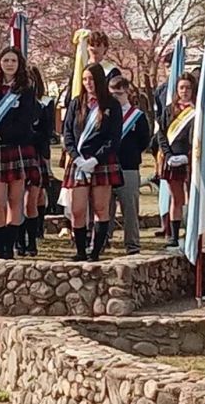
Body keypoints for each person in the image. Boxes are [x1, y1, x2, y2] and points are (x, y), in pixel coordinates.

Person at [62, 63, 123, 262]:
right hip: (78, 161)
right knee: (77, 209)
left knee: (100, 208)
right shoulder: (76, 103)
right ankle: (80, 250)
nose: (88, 83)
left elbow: (114, 137)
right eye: (85, 79)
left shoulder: (111, 105)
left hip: (101, 162)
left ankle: (95, 252)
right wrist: (77, 157)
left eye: (91, 79)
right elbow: (67, 133)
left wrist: (96, 159)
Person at [0, 46, 40, 260]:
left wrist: (0, 134)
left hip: (16, 148)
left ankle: (9, 246)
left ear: (19, 65)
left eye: (13, 61)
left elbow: (24, 122)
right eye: (6, 60)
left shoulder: (26, 89)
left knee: (15, 199)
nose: (9, 64)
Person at [108, 76, 150, 255]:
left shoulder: (137, 116)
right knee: (104, 208)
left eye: (119, 93)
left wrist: (131, 154)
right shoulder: (105, 113)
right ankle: (102, 240)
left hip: (129, 167)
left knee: (130, 209)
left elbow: (144, 140)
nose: (116, 97)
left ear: (127, 93)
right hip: (107, 167)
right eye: (112, 94)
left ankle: (132, 245)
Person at [156, 72, 197, 248]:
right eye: (181, 87)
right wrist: (169, 155)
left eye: (188, 88)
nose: (184, 91)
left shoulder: (198, 110)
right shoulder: (169, 110)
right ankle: (173, 234)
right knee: (176, 198)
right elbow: (161, 135)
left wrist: (187, 156)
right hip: (172, 159)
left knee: (192, 196)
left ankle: (191, 231)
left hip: (191, 159)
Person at [18, 65, 54, 255]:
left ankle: (32, 239)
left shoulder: (45, 103)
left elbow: (47, 133)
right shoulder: (14, 100)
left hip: (36, 154)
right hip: (17, 151)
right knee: (15, 200)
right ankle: (18, 241)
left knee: (31, 199)